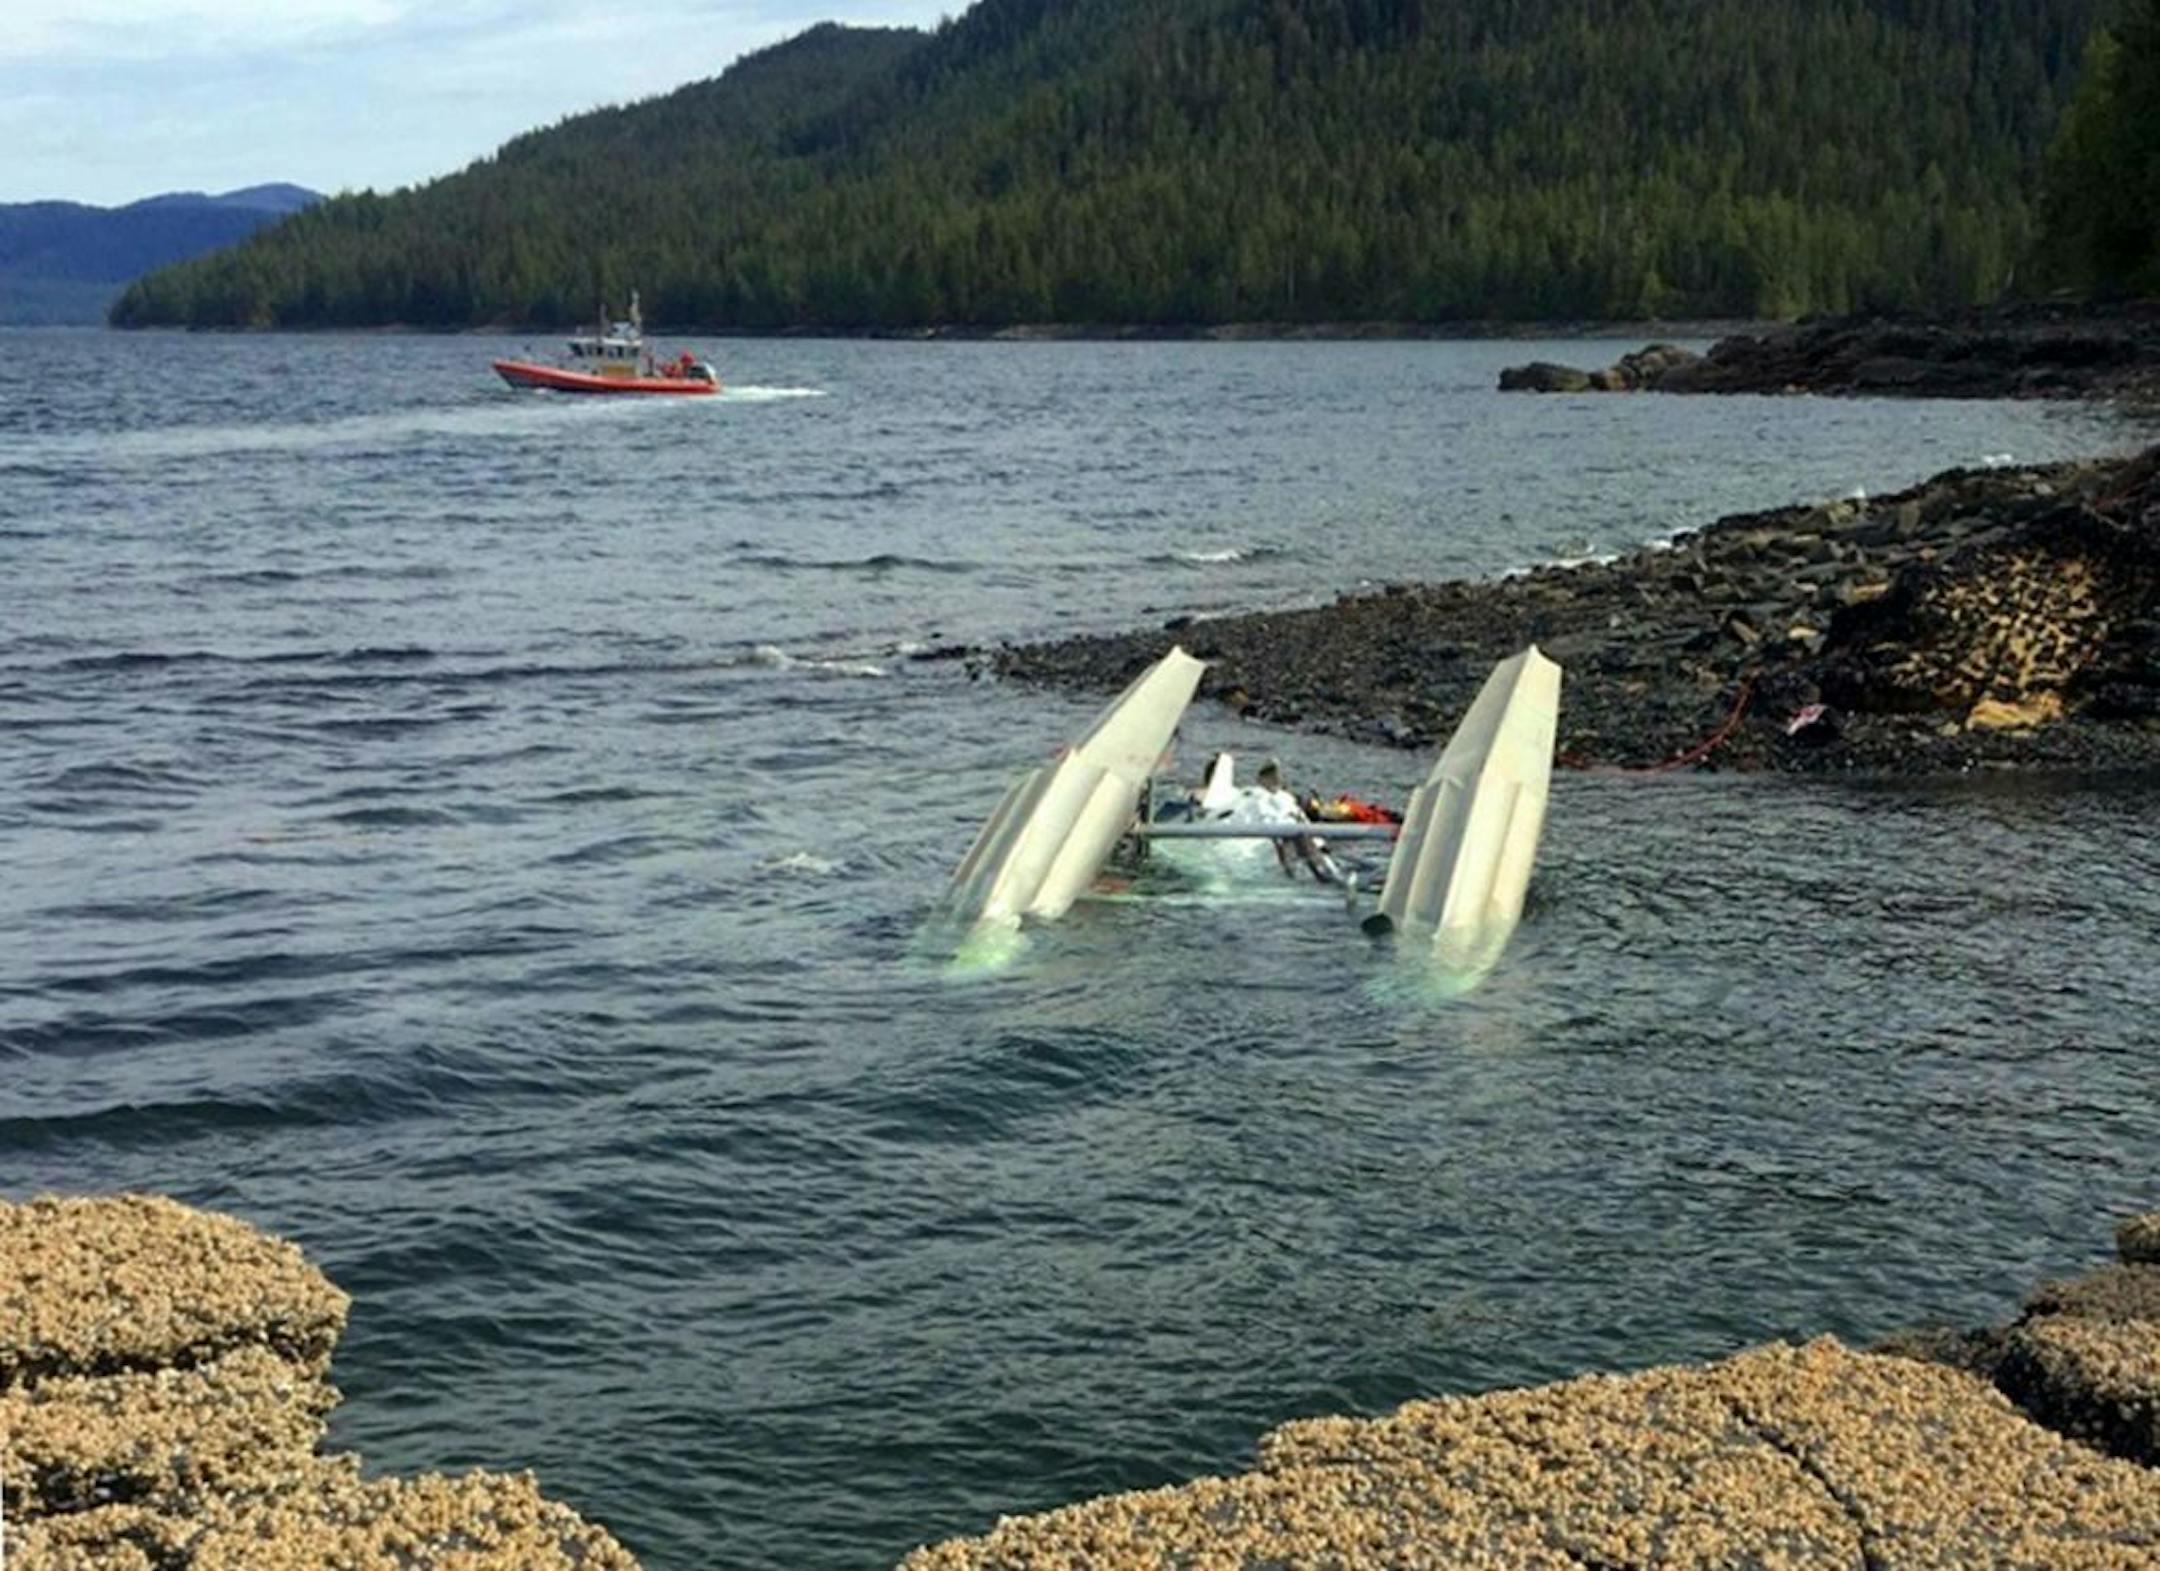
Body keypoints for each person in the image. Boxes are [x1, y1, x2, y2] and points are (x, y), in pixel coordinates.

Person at [1254, 758, 1342, 884]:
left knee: (1303, 840)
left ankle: (1322, 874)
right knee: (1294, 840)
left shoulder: (1286, 798)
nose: (1277, 779)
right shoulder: (1261, 798)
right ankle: (1297, 873)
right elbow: (1270, 825)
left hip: (1296, 830)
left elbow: (1299, 817)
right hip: (1284, 833)